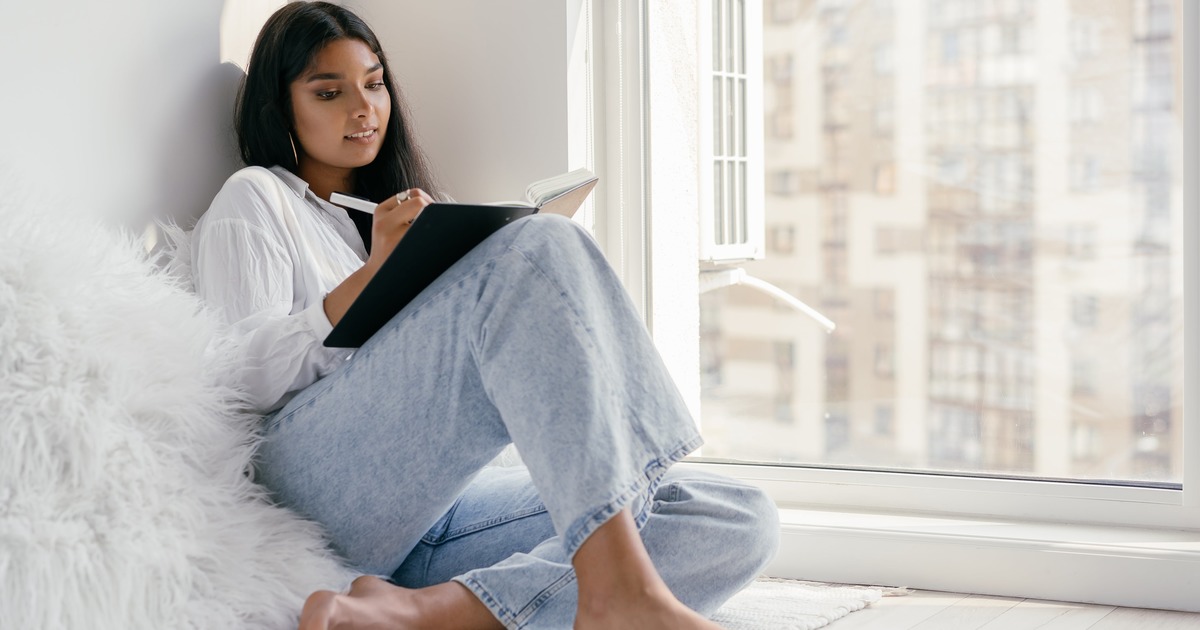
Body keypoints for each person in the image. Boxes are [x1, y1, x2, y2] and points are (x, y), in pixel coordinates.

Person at [189, 2, 779, 628]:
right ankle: (614, 596)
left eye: (374, 83)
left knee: (735, 515)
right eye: (328, 92)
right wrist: (374, 277)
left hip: (431, 509)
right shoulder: (255, 198)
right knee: (542, 248)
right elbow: (237, 379)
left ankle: (434, 612)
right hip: (314, 489)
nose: (363, 109)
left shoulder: (388, 213)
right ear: (280, 109)